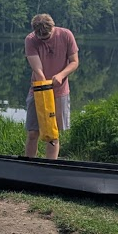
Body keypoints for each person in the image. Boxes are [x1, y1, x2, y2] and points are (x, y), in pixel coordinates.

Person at [23, 13, 79, 160]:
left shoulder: (66, 35)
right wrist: (44, 85)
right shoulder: (30, 40)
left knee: (52, 133)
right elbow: (37, 69)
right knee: (33, 132)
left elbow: (74, 61)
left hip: (60, 91)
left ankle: (50, 166)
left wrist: (60, 75)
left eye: (46, 36)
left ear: (52, 27)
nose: (44, 39)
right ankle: (28, 165)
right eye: (41, 37)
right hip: (38, 91)